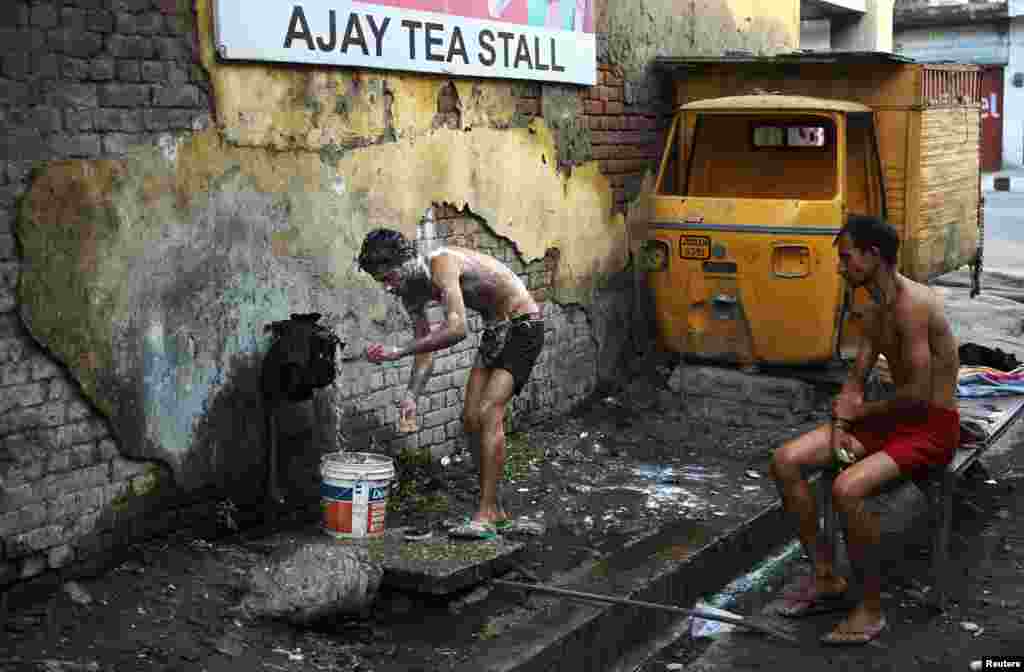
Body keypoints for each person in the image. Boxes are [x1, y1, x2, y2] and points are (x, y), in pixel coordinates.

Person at [769, 214, 960, 645]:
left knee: (846, 489)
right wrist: (840, 419)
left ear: (873, 256)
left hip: (931, 427)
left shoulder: (914, 306)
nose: (839, 268)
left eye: (845, 257)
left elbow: (917, 395)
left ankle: (871, 611)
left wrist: (858, 414)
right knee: (786, 461)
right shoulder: (874, 307)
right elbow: (857, 374)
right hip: (891, 420)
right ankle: (825, 577)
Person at [358, 228, 545, 540]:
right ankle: (495, 511)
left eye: (389, 278)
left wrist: (398, 351)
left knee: (488, 413)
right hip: (495, 330)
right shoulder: (411, 293)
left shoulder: (441, 264)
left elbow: (457, 329)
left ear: (405, 262)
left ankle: (484, 514)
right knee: (470, 420)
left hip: (523, 325)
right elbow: (425, 348)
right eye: (382, 283)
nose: (388, 288)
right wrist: (411, 397)